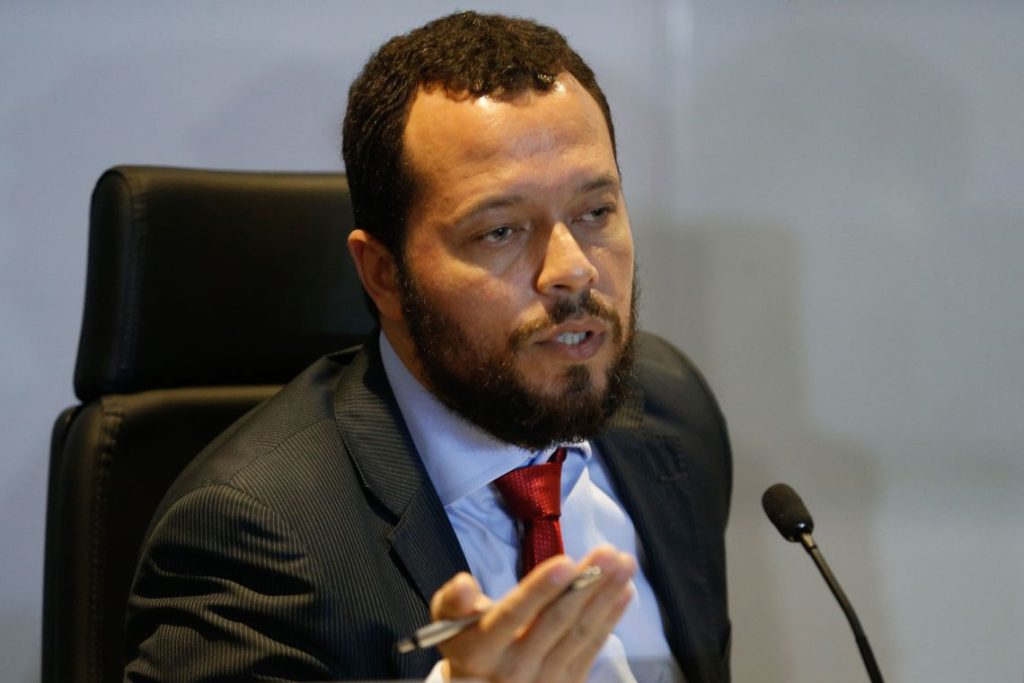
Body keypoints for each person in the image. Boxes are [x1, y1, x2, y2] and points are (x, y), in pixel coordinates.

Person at [124, 11, 731, 683]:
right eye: (500, 231)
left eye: (595, 212)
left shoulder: (668, 411)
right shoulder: (251, 536)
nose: (573, 269)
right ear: (385, 275)